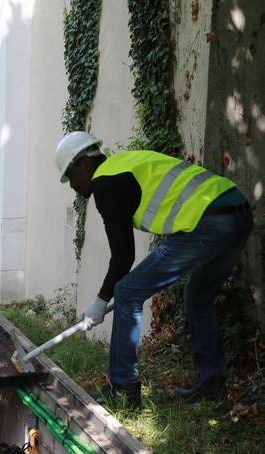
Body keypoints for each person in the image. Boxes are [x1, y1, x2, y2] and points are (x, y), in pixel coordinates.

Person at [55, 131, 253, 406]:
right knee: (197, 295)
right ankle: (211, 386)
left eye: (70, 176)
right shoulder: (124, 164)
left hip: (210, 222)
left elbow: (123, 257)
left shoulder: (105, 184)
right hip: (238, 213)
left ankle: (123, 390)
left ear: (84, 164)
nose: (72, 185)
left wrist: (101, 301)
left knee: (127, 292)